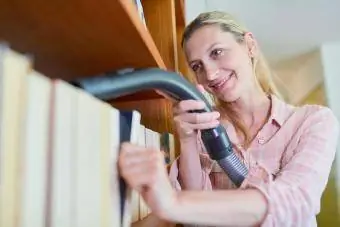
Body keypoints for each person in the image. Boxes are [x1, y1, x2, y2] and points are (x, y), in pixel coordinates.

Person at [118, 11, 339, 227]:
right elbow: (192, 213)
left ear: (250, 45)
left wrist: (173, 203)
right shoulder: (203, 127)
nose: (210, 74)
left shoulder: (313, 121)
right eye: (197, 66)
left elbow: (296, 201)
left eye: (217, 52)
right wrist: (187, 140)